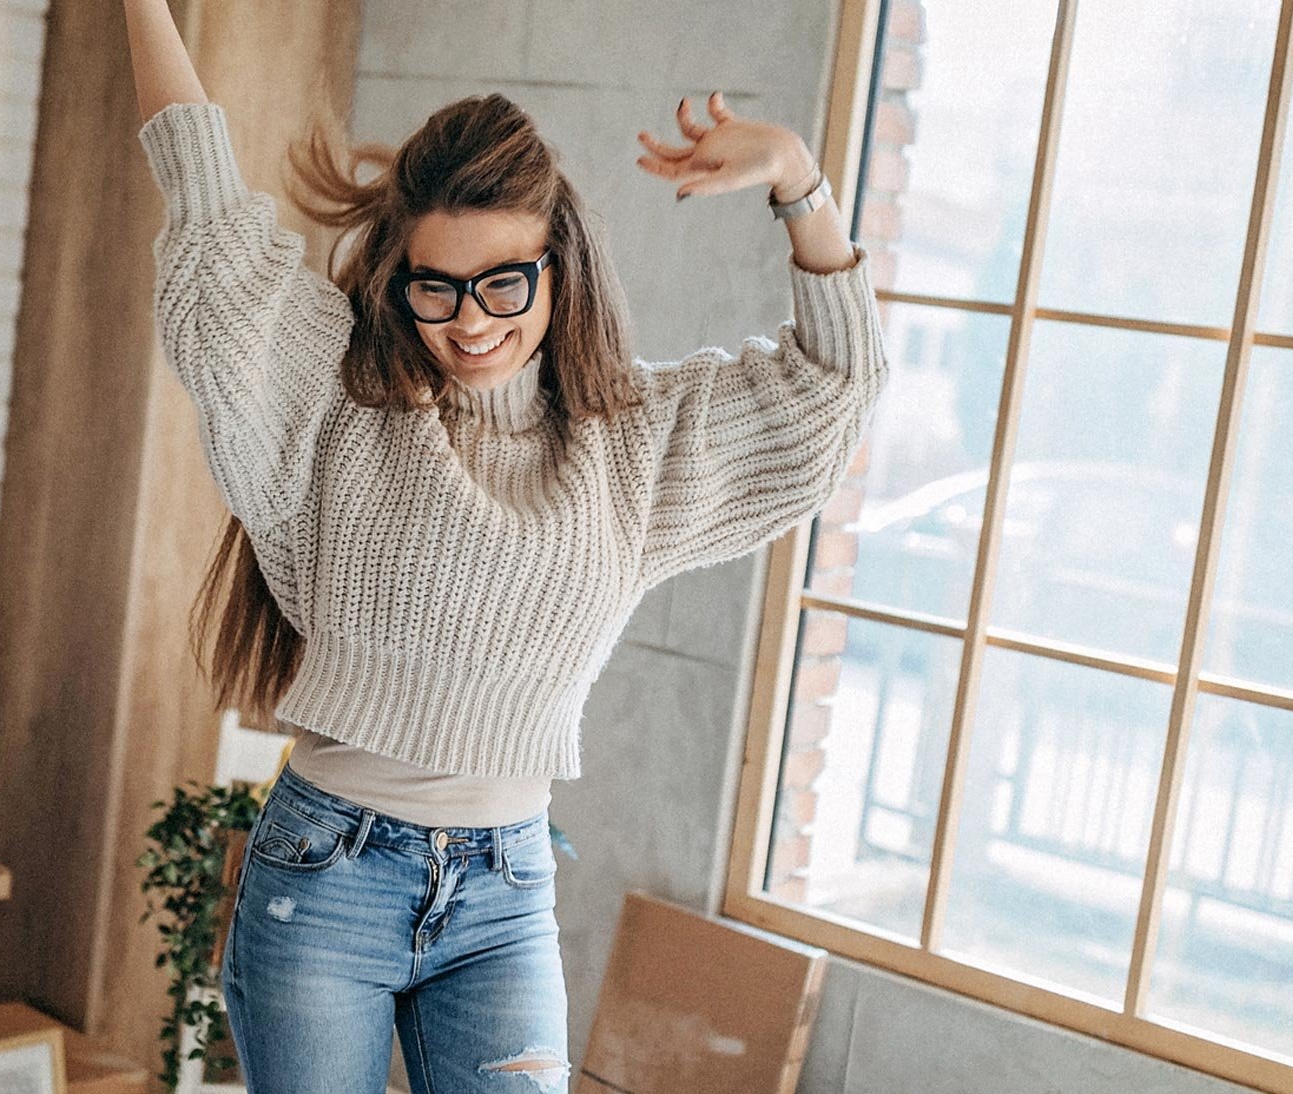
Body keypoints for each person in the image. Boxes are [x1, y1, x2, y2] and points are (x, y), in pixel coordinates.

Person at [123, 2, 886, 1089]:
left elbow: (833, 392)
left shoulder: (630, 448)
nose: (468, 321)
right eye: (433, 285)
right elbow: (207, 215)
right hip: (325, 875)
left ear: (557, 266)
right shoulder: (343, 396)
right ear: (399, 277)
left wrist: (797, 181)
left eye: (502, 283)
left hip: (504, 891)